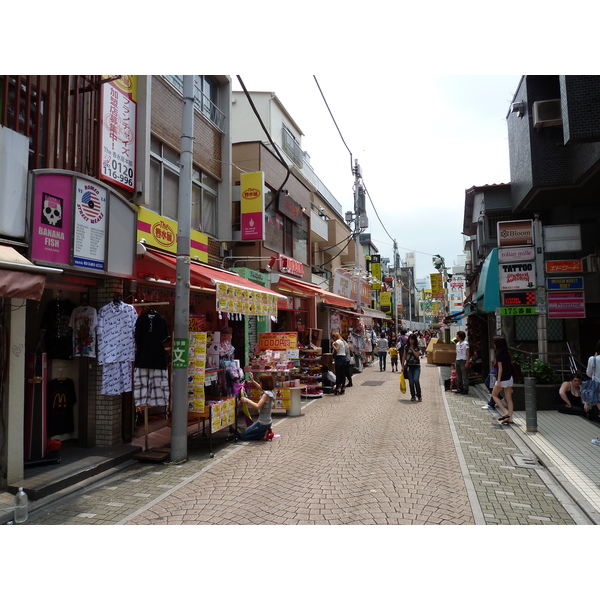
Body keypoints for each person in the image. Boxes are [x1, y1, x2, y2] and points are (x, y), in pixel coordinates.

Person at [239, 372, 275, 441]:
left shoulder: (265, 395)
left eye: (261, 382)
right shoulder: (271, 392)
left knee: (243, 436)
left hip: (262, 423)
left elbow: (258, 406)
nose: (260, 383)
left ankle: (263, 434)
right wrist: (252, 380)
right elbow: (260, 387)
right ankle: (266, 431)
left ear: (264, 384)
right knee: (246, 432)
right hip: (267, 422)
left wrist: (247, 400)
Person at [491, 337, 515, 425]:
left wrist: (498, 381)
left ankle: (505, 412)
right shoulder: (508, 353)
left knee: (494, 395)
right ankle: (510, 418)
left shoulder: (499, 354)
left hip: (503, 379)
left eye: (494, 342)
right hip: (509, 378)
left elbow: (500, 369)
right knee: (509, 399)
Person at [402, 333, 422, 402]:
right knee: (411, 382)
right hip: (409, 366)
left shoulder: (418, 347)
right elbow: (404, 356)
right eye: (410, 339)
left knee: (416, 380)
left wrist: (413, 349)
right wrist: (402, 365)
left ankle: (419, 395)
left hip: (416, 366)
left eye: (412, 340)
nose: (411, 341)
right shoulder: (406, 347)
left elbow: (417, 355)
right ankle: (413, 396)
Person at [454, 330, 470, 395]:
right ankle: (460, 388)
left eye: (457, 335)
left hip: (463, 360)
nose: (456, 336)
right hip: (458, 360)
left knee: (464, 376)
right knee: (458, 375)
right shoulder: (457, 344)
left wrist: (467, 362)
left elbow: (468, 353)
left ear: (459, 336)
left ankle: (466, 389)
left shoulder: (465, 343)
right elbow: (457, 353)